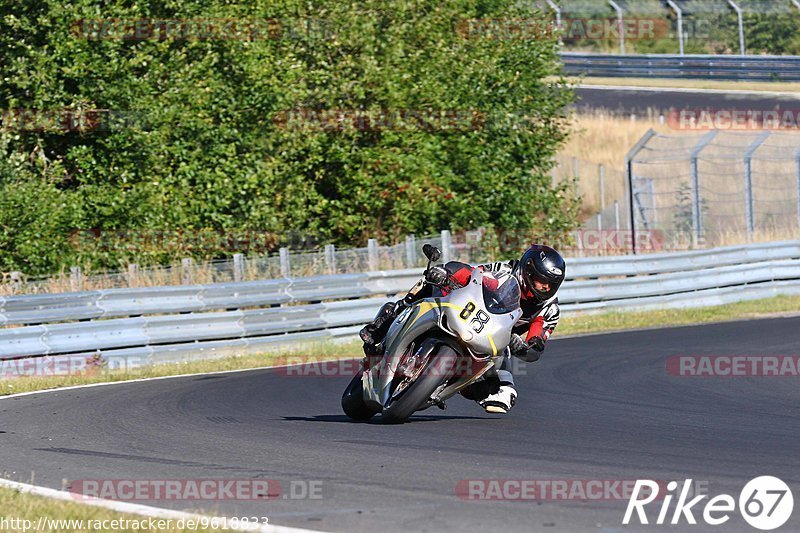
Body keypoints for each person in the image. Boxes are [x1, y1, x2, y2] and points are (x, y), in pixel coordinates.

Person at [359, 244, 565, 414]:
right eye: (541, 282)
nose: (545, 288)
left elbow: (537, 344)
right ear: (527, 271)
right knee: (428, 284)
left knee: (491, 389)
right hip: (470, 311)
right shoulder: (503, 271)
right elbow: (472, 275)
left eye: (550, 285)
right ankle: (382, 326)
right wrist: (446, 273)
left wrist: (524, 346)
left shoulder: (549, 309)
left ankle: (445, 386)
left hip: (496, 339)